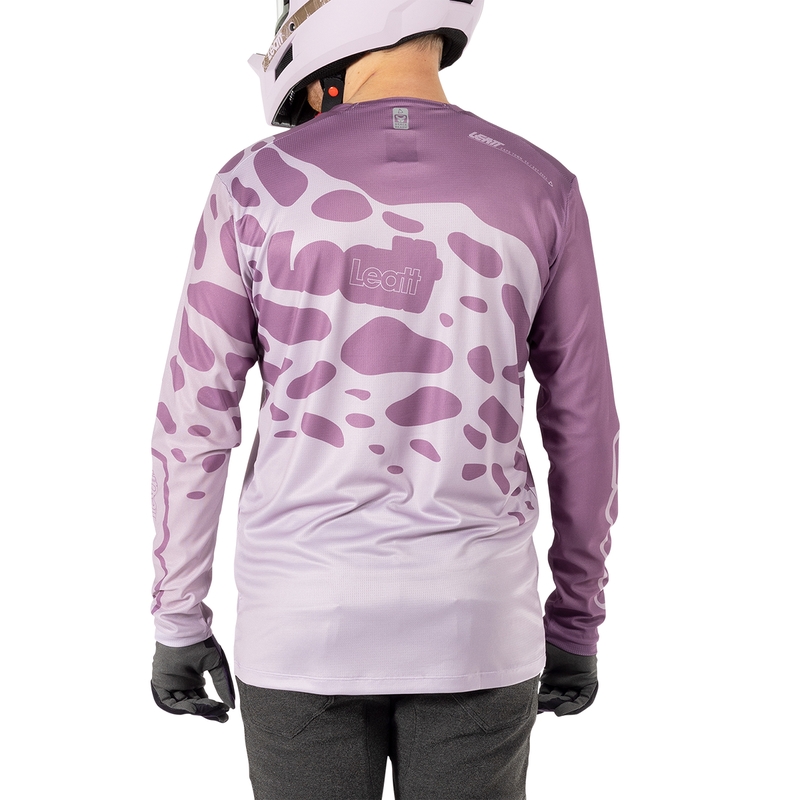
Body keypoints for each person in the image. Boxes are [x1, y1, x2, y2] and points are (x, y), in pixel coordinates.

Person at [149, 1, 619, 798]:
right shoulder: (541, 184)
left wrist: (177, 616)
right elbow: (584, 424)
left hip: (299, 619)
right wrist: (576, 617)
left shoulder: (253, 185)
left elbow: (194, 418)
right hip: (477, 620)